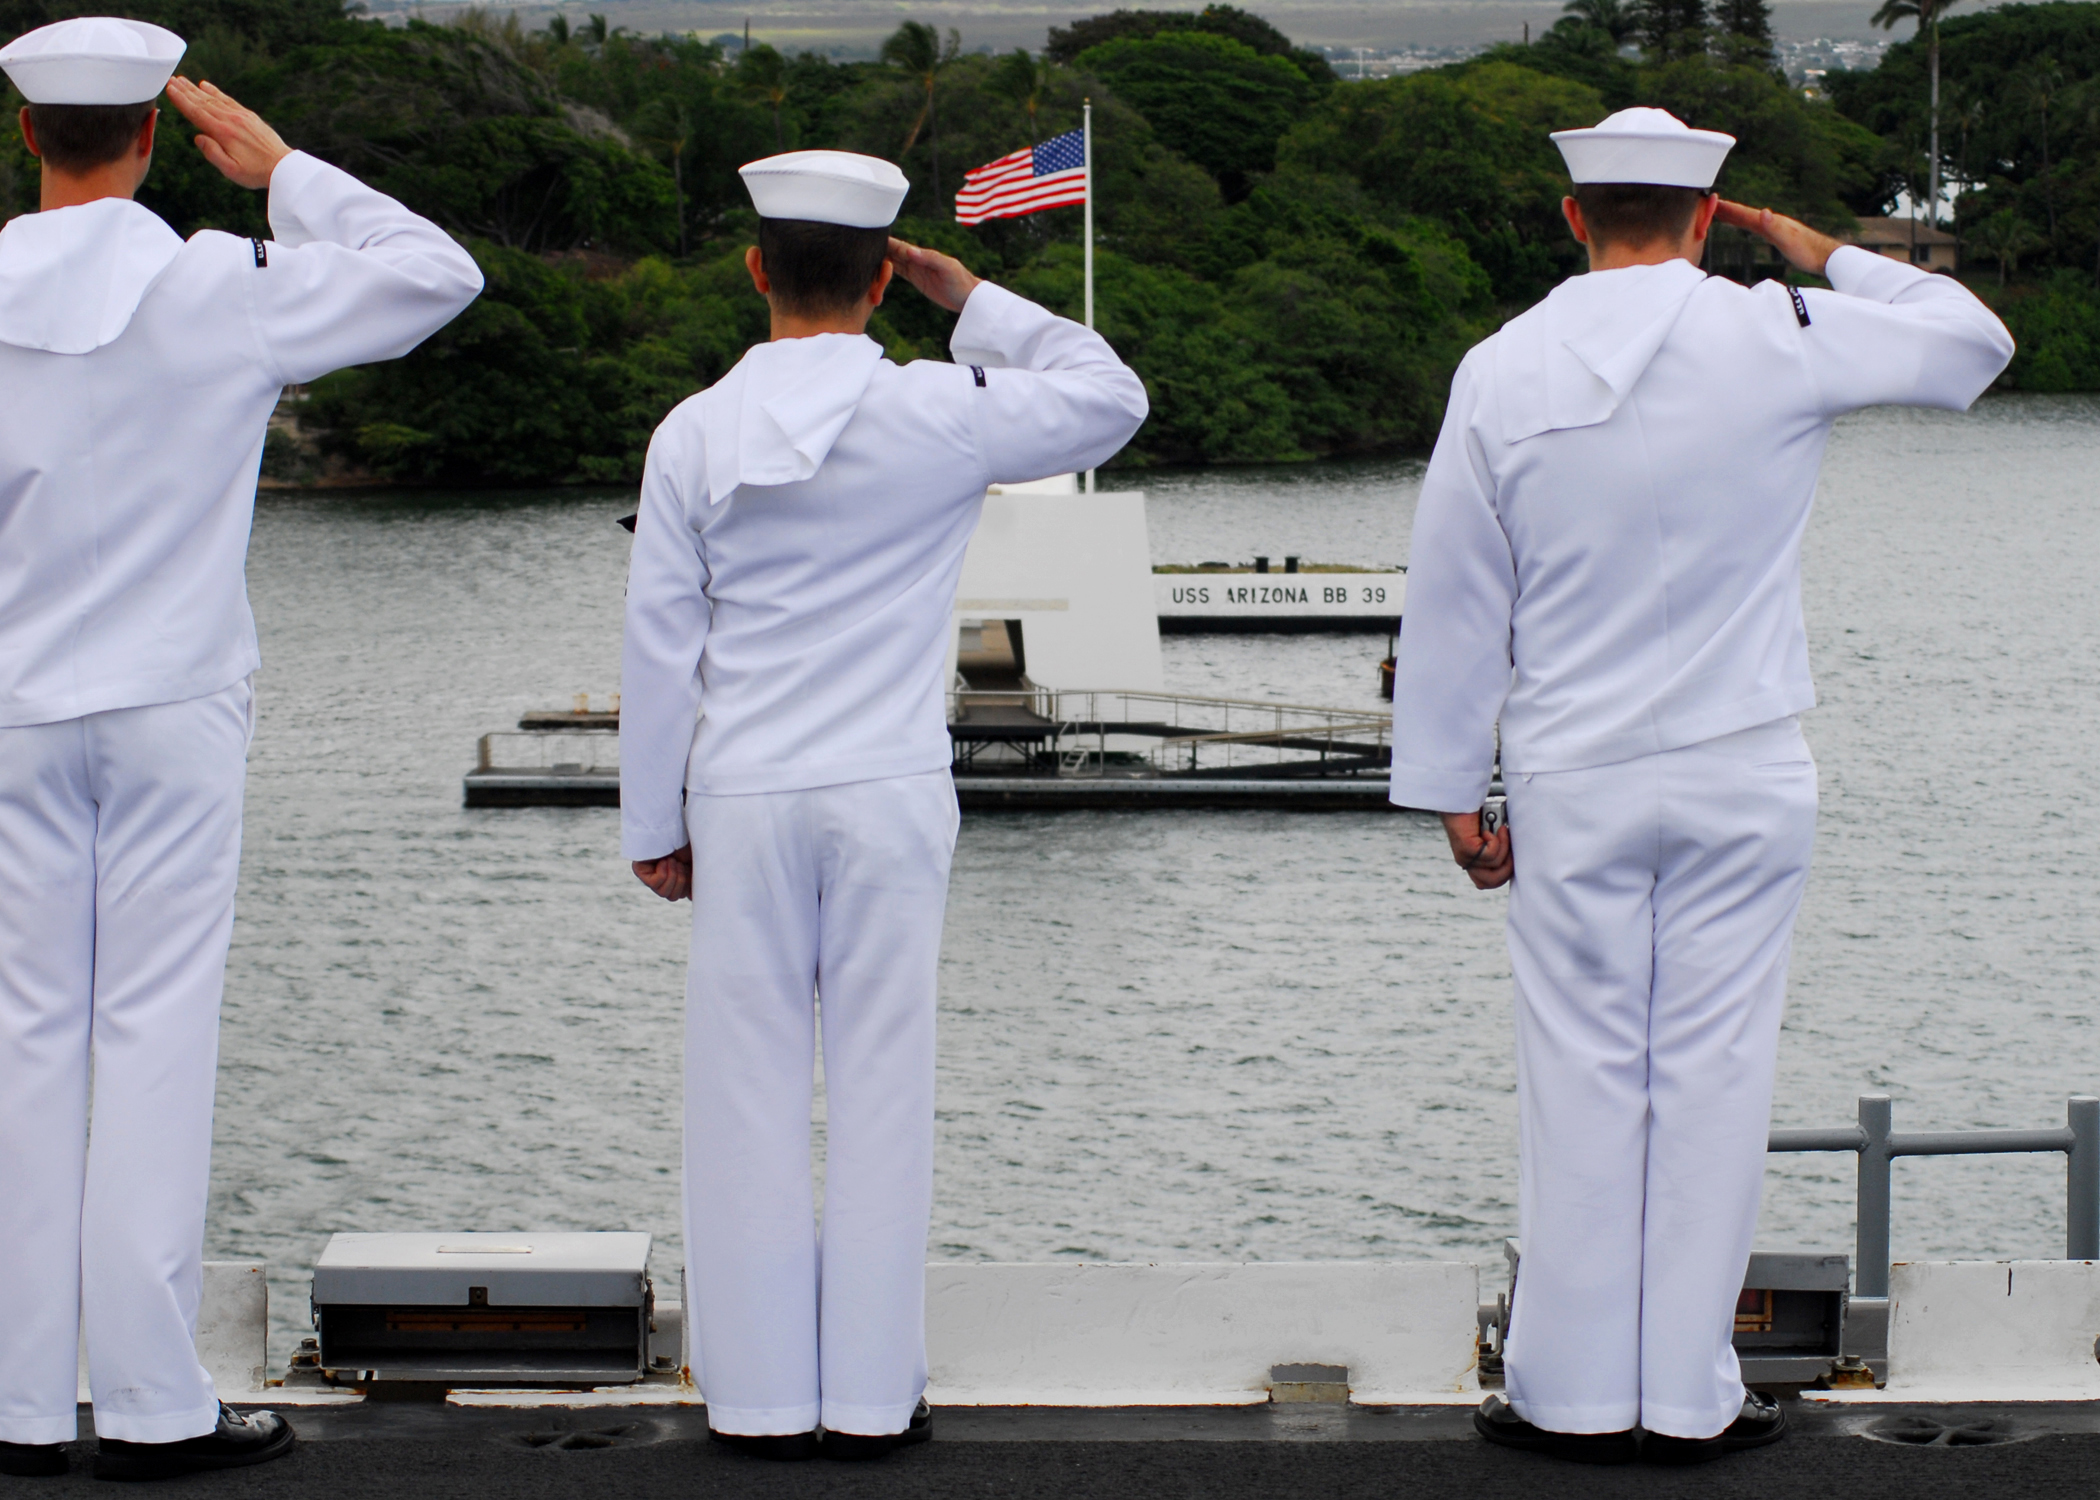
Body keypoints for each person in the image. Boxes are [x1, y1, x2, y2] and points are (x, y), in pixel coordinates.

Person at [1387, 107, 2012, 1466]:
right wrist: (1820, 250)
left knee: (1580, 1075)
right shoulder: (1774, 330)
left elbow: (1452, 595)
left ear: (1572, 215)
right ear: (1712, 212)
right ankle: (1687, 1397)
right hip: (1741, 767)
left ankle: (1567, 1394)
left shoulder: (1502, 366)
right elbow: (1975, 345)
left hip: (1575, 775)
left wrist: (1451, 786)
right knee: (1716, 1076)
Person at [0, 17, 482, 1483]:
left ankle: (17, 1409)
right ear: (151, 136)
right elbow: (440, 275)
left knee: (23, 1048)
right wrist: (286, 173)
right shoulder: (221, 283)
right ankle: (150, 1405)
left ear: (31, 137)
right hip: (175, 703)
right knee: (153, 1041)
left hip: (11, 706)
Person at [621, 150, 1146, 1461]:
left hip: (743, 792)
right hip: (890, 791)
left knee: (741, 1092)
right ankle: (865, 1396)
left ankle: (752, 1398)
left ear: (756, 270)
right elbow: (1110, 397)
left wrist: (652, 823)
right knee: (880, 1087)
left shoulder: (693, 432)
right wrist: (973, 300)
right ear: (880, 277)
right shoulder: (940, 410)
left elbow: (657, 646)